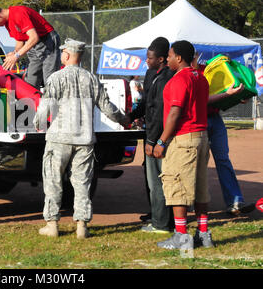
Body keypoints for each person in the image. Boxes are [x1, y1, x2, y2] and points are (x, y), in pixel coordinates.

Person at [33, 38, 128, 239]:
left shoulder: (56, 78)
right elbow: (107, 107)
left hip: (58, 139)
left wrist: (37, 124)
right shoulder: (91, 78)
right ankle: (82, 226)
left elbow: (45, 108)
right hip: (84, 140)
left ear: (66, 55)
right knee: (82, 183)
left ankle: (52, 225)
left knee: (53, 180)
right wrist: (124, 119)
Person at [153, 40, 213, 250]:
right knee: (200, 187)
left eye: (170, 55)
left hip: (184, 138)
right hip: (201, 136)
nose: (167, 59)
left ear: (179, 58)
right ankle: (204, 233)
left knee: (177, 184)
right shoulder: (200, 78)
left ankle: (181, 236)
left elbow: (175, 113)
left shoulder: (180, 80)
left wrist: (162, 140)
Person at [193, 57, 256, 216]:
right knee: (197, 162)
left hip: (215, 119)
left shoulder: (210, 68)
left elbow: (225, 89)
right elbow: (199, 100)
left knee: (223, 160)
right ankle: (190, 203)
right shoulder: (185, 74)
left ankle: (235, 201)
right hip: (198, 121)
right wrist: (227, 95)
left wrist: (238, 96)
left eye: (195, 55)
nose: (194, 58)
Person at [127, 37, 175, 234]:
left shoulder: (167, 78)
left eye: (150, 58)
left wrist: (153, 140)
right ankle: (156, 214)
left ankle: (162, 222)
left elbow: (158, 111)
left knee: (159, 180)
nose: (146, 60)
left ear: (162, 59)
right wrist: (130, 116)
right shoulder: (149, 74)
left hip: (159, 135)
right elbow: (147, 103)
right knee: (150, 178)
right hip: (152, 132)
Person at [0, 4, 61, 88]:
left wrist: (16, 56)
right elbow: (20, 41)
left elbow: (34, 37)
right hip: (32, 44)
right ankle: (32, 100)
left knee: (50, 80)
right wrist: (14, 53)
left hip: (47, 40)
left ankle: (52, 99)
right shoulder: (7, 23)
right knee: (31, 81)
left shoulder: (18, 13)